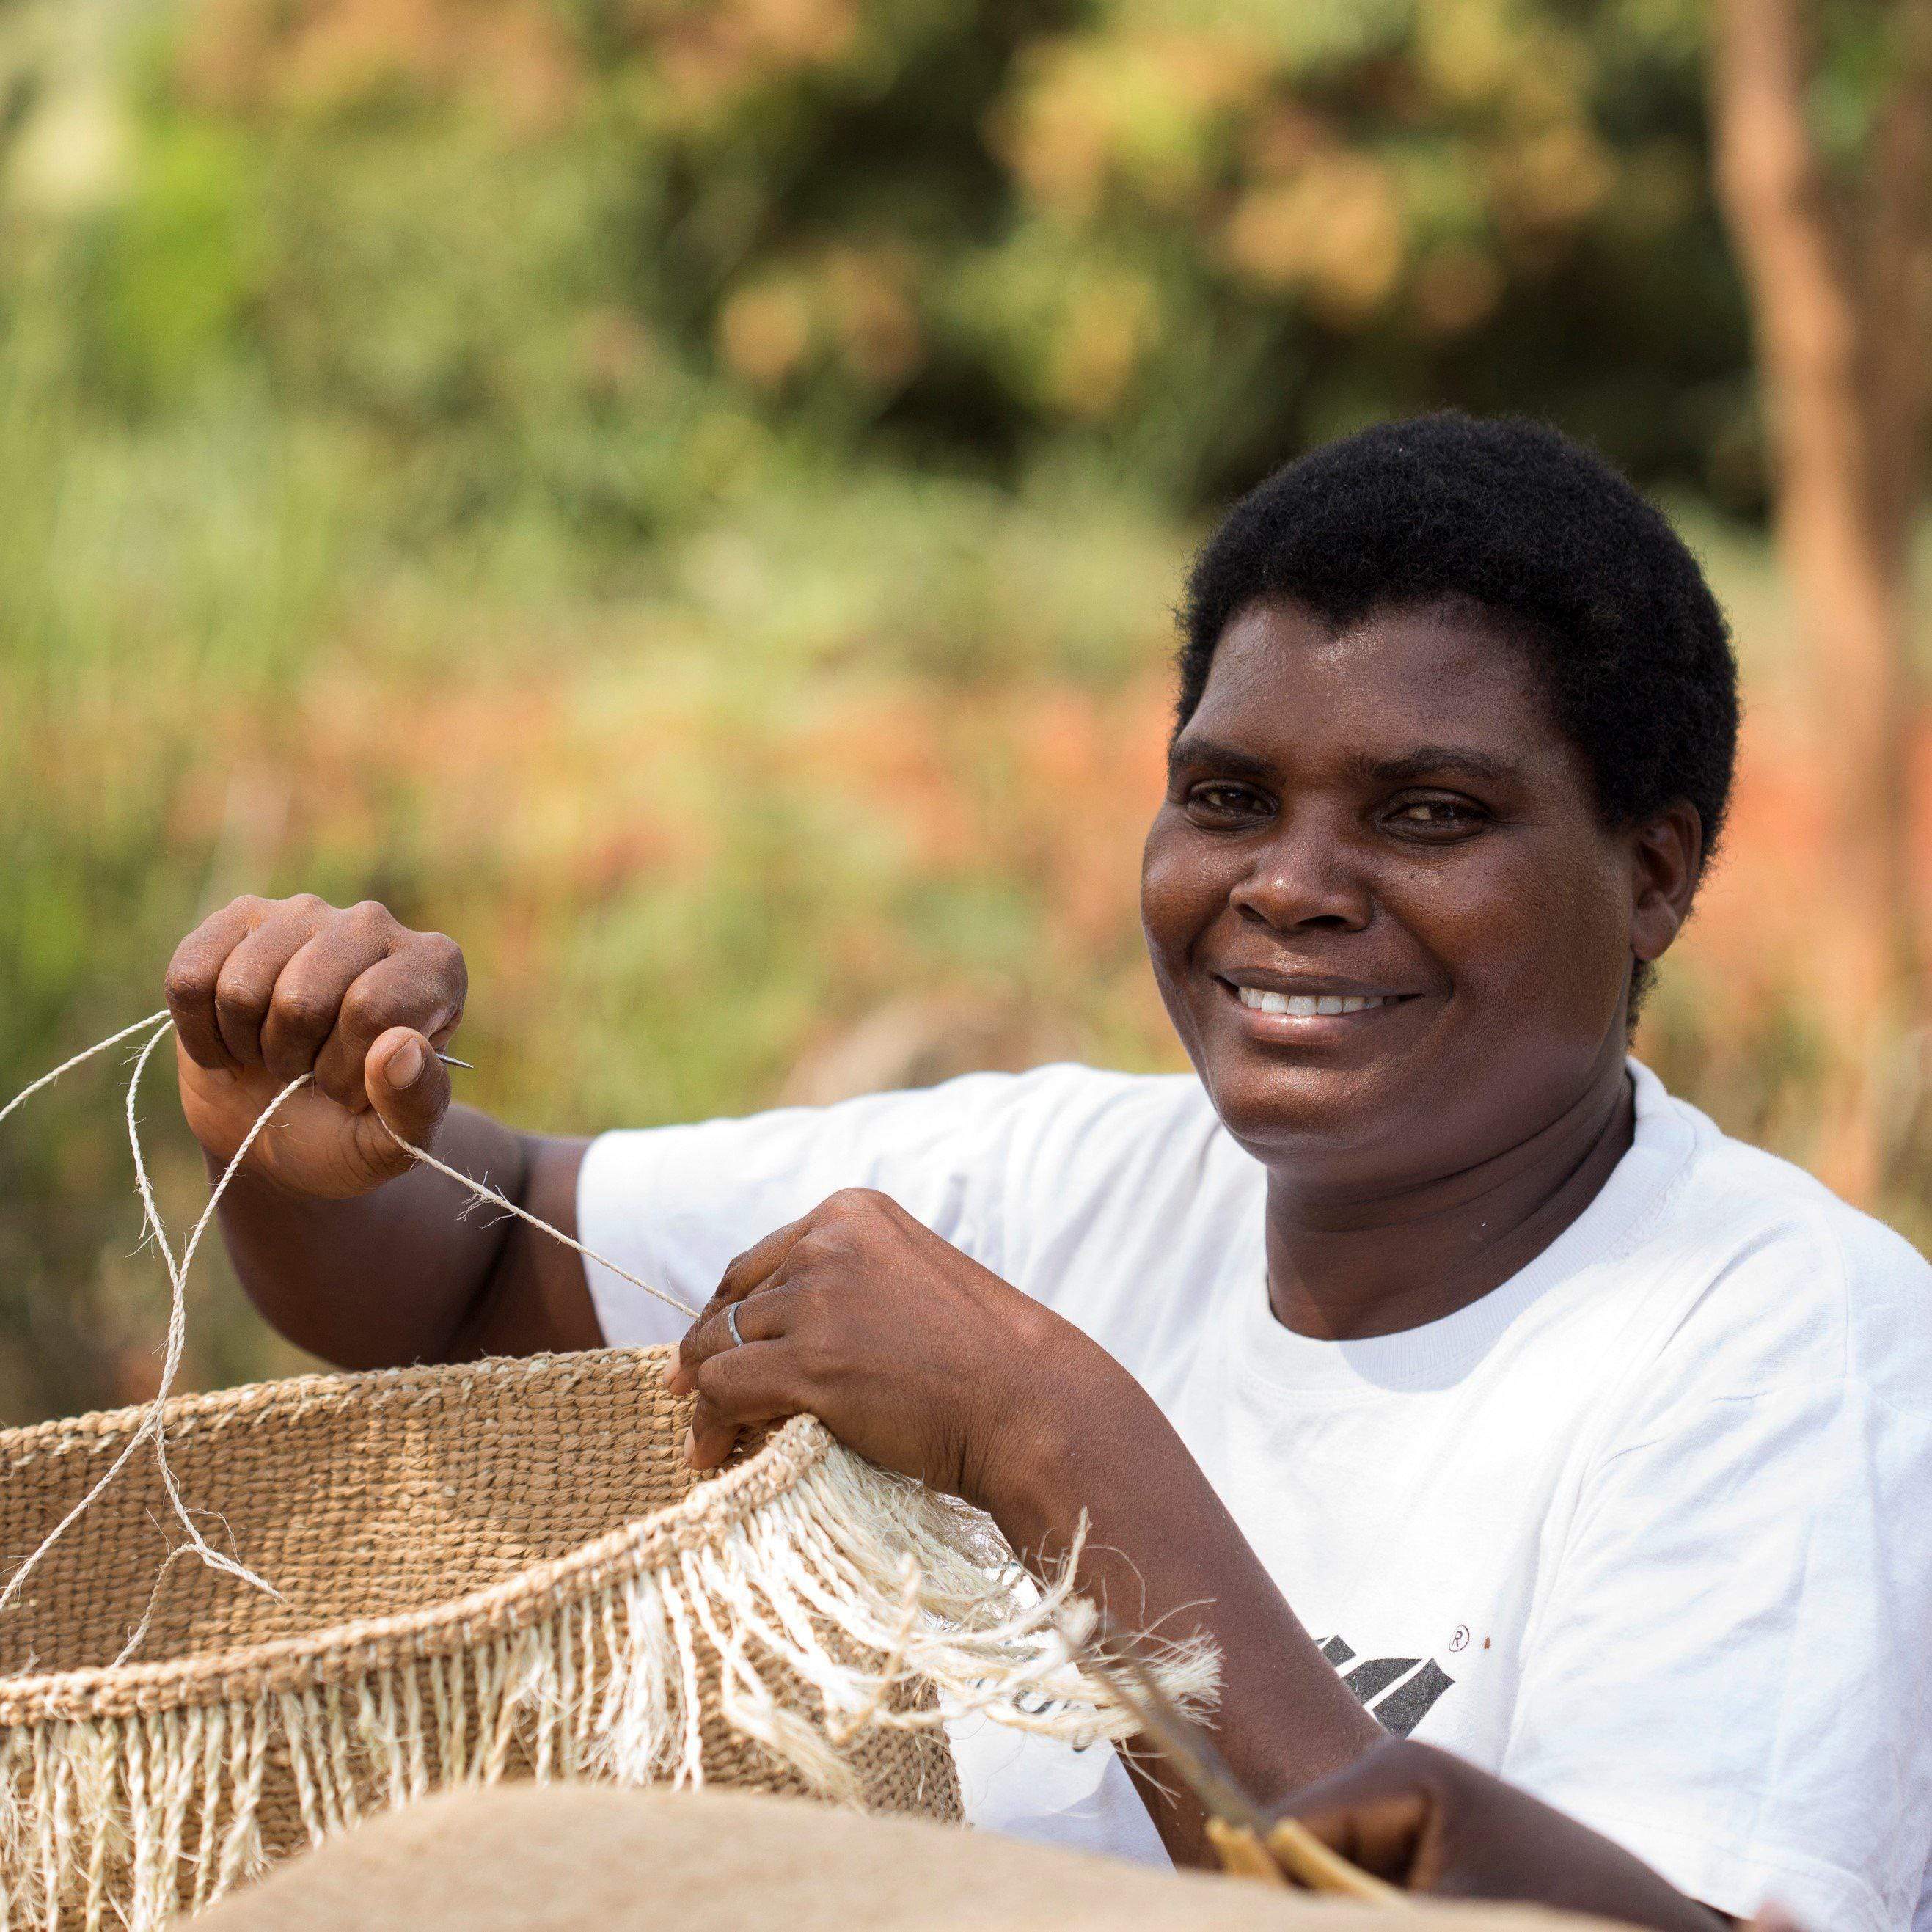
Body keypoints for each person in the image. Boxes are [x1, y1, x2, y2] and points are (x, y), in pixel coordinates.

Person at [164, 414, 1932, 1932]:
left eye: (1429, 815)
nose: (1293, 884)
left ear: (1655, 875)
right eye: (1229, 797)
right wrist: (305, 1138)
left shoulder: (1786, 1344)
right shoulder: (1052, 1176)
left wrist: (1042, 1436)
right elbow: (462, 1278)